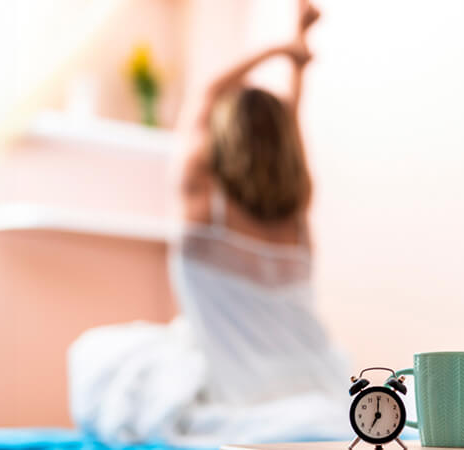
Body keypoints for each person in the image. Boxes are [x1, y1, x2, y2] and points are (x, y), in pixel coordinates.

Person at [68, 2, 349, 444]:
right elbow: (289, 127)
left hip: (237, 393)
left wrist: (283, 48)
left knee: (96, 355)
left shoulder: (202, 203)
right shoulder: (295, 219)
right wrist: (300, 56)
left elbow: (205, 93)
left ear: (226, 133)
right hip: (314, 381)